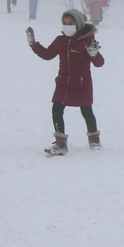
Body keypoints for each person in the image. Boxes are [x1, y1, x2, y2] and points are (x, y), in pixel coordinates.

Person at [27, 10, 104, 155]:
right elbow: (47, 54)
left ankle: (94, 140)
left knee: (87, 111)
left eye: (71, 23)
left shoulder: (87, 41)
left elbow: (99, 63)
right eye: (64, 23)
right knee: (56, 109)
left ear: (78, 24)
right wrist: (33, 44)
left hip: (82, 84)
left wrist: (95, 55)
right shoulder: (60, 41)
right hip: (63, 83)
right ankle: (60, 143)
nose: (67, 26)